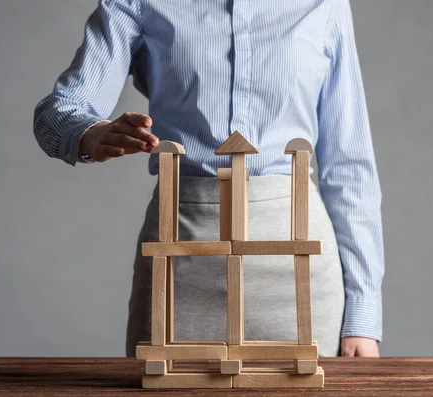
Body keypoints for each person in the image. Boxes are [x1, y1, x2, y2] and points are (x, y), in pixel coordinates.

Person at [34, 0, 384, 357]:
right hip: (177, 262)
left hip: (300, 272)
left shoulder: (324, 4)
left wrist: (362, 313)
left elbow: (348, 165)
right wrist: (89, 133)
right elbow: (59, 109)